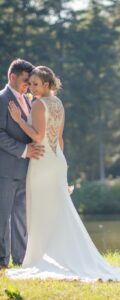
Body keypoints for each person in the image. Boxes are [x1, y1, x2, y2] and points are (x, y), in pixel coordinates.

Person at [6, 65, 120, 282]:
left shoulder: (38, 105)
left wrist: (18, 119)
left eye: (35, 84)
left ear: (47, 84)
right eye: (30, 83)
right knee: (57, 209)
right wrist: (62, 165)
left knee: (42, 210)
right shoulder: (58, 103)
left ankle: (40, 258)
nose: (31, 88)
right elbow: (59, 138)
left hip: (42, 161)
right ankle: (54, 255)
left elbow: (37, 134)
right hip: (57, 159)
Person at [0, 59, 44, 269]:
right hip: (5, 170)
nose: (29, 85)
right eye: (26, 81)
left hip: (26, 169)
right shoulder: (2, 99)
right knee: (2, 217)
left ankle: (21, 260)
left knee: (20, 217)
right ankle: (1, 262)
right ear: (12, 77)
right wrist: (25, 150)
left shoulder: (28, 100)